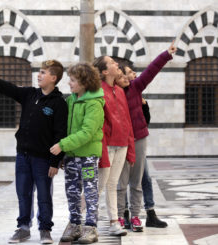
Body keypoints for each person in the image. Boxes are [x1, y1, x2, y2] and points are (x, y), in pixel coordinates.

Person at [0, 60, 68, 244]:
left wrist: (55, 162)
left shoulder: (59, 103)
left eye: (43, 72)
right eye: (39, 71)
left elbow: (60, 133)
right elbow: (6, 87)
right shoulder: (29, 94)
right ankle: (23, 228)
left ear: (53, 78)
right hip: (23, 156)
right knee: (23, 193)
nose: (39, 75)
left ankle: (45, 229)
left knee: (44, 196)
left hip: (43, 160)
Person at [115, 41, 176, 231]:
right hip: (121, 141)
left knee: (139, 179)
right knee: (120, 181)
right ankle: (120, 216)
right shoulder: (112, 93)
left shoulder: (135, 88)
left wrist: (166, 54)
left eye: (129, 74)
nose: (129, 77)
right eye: (125, 75)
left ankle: (136, 216)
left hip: (139, 138)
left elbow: (151, 70)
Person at [49, 62, 104, 244]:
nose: (69, 83)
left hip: (87, 156)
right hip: (71, 156)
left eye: (72, 80)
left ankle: (91, 228)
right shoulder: (71, 100)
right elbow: (66, 127)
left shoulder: (94, 104)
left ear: (84, 82)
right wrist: (65, 153)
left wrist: (62, 145)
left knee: (89, 191)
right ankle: (74, 225)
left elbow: (87, 132)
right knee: (72, 192)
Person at [93, 56, 135, 236]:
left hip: (122, 144)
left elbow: (127, 121)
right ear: (104, 71)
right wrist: (102, 152)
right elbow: (100, 125)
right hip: (107, 145)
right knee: (99, 185)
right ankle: (84, 220)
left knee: (112, 184)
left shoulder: (119, 90)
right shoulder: (98, 91)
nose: (116, 64)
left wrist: (131, 149)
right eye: (112, 63)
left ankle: (113, 222)